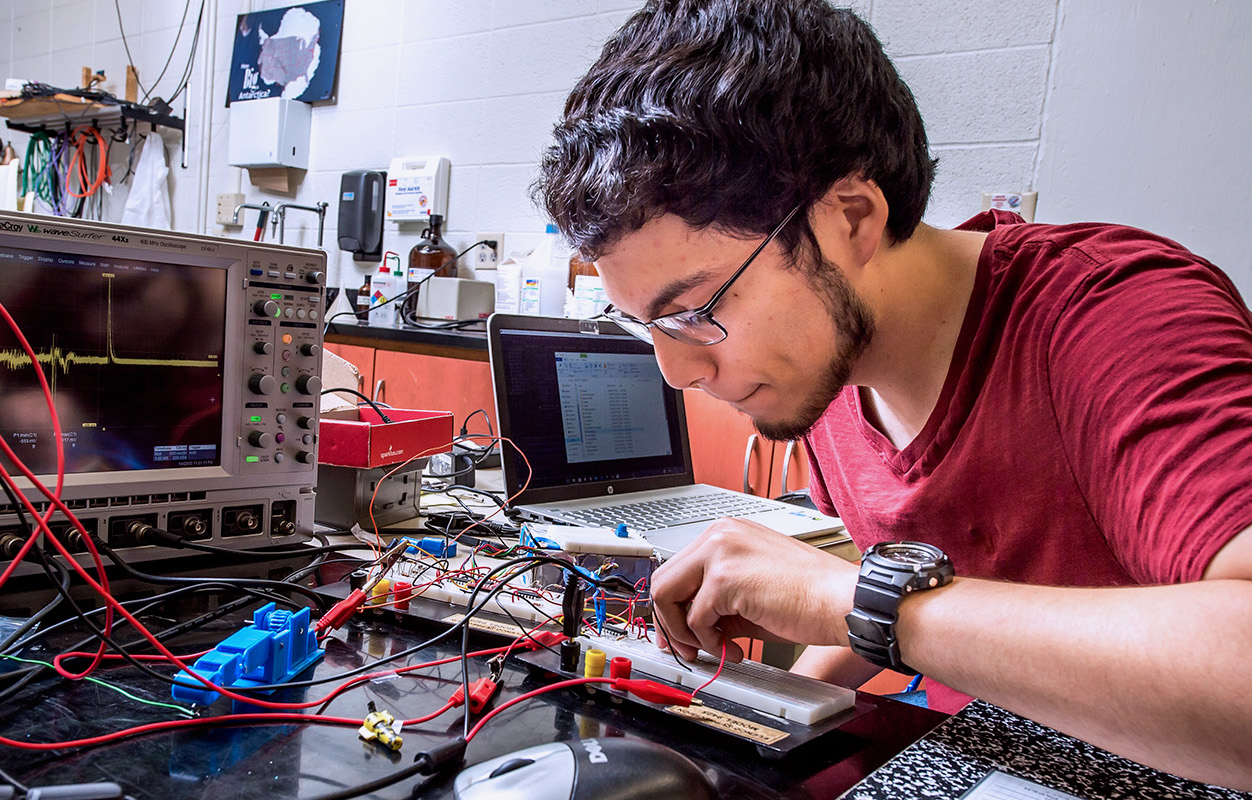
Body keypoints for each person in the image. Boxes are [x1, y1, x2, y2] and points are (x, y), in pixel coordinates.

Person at [534, 0, 1252, 790]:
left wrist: (854, 598)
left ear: (852, 217)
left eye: (697, 312)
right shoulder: (826, 363)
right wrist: (758, 712)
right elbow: (899, 624)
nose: (679, 373)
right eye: (645, 326)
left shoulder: (1116, 317)